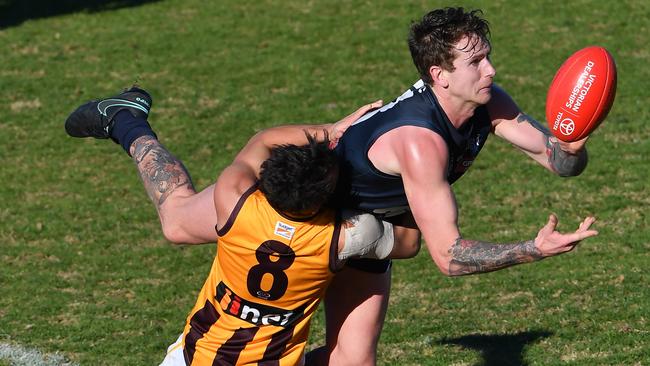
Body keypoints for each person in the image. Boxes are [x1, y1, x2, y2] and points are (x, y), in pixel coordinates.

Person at [66, 6, 600, 365]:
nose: (491, 68)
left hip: (362, 234)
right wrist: (534, 249)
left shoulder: (488, 100)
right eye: (477, 60)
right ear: (439, 74)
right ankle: (126, 119)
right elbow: (449, 256)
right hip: (310, 209)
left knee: (354, 362)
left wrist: (573, 143)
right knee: (178, 222)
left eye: (487, 55)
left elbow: (555, 160)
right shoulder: (420, 142)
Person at [65, 87, 417, 364]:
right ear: (322, 199)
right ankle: (124, 119)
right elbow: (409, 244)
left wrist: (329, 131)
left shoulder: (237, 201)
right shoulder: (345, 237)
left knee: (177, 219)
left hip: (192, 358)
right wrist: (422, 178)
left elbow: (263, 140)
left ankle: (125, 122)